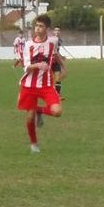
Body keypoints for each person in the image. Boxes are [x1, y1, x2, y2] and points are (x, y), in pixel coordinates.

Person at [17, 15, 62, 153]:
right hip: (29, 85)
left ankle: (39, 110)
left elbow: (54, 55)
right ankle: (34, 144)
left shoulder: (53, 42)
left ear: (47, 29)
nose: (37, 28)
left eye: (41, 26)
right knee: (29, 118)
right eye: (36, 25)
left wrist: (62, 66)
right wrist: (37, 65)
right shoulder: (29, 45)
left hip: (46, 85)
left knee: (57, 112)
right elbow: (26, 67)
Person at [51, 27, 68, 100]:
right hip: (49, 61)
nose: (57, 32)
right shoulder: (50, 40)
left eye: (58, 30)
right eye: (55, 30)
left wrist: (61, 56)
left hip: (56, 61)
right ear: (53, 32)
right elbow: (53, 51)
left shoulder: (59, 40)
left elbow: (57, 51)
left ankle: (58, 94)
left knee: (58, 78)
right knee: (48, 79)